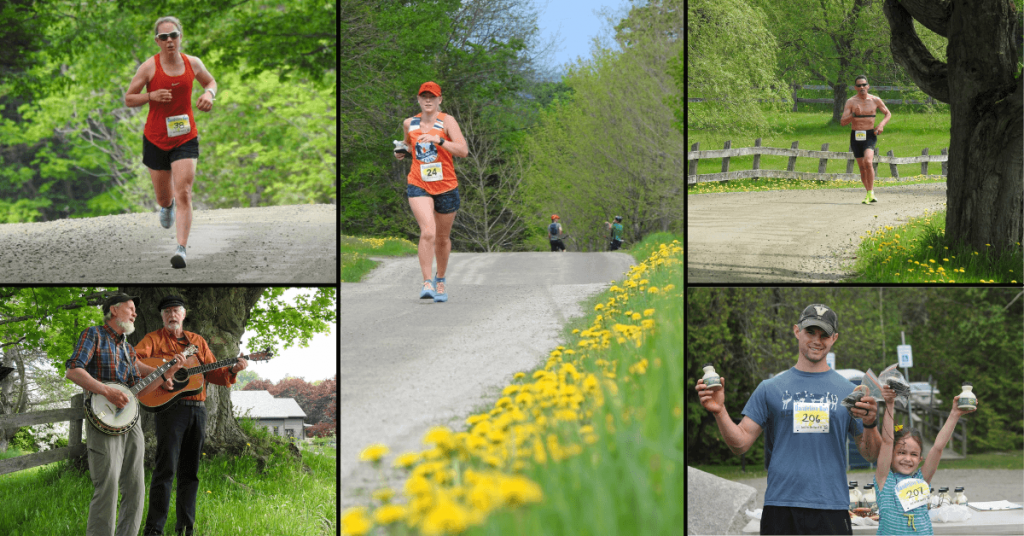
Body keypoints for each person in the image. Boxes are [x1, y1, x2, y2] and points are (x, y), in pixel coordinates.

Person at [695, 304, 882, 535]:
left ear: (834, 338)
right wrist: (720, 411)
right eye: (810, 332)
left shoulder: (851, 392)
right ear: (796, 331)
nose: (817, 340)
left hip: (831, 506)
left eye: (824, 335)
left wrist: (871, 423)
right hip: (781, 507)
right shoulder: (770, 388)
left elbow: (871, 454)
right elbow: (740, 443)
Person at [65, 293, 184, 536]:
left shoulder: (129, 349)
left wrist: (165, 374)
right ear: (114, 310)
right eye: (130, 308)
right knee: (107, 486)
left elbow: (137, 389)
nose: (135, 313)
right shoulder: (94, 334)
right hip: (103, 418)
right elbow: (73, 370)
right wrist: (106, 391)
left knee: (136, 487)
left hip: (132, 421)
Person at [139, 295, 248, 536]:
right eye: (167, 312)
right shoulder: (152, 339)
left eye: (176, 311)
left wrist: (232, 369)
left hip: (198, 411)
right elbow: (134, 361)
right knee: (164, 469)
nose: (171, 315)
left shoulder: (197, 341)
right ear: (162, 317)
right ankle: (154, 529)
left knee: (191, 471)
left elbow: (214, 373)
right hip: (168, 410)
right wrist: (164, 372)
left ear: (184, 315)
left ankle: (185, 527)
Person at [125, 16, 218, 269]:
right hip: (155, 139)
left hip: (185, 137)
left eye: (173, 35)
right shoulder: (149, 68)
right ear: (157, 40)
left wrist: (209, 94)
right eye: (164, 37)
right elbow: (129, 98)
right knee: (165, 198)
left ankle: (181, 249)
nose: (169, 41)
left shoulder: (193, 63)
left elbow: (210, 82)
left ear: (180, 37)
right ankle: (167, 207)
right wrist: (151, 95)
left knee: (184, 192)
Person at [394, 81, 468, 303]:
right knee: (428, 231)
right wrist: (402, 151)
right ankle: (427, 282)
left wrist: (440, 140)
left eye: (432, 97)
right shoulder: (409, 123)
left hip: (446, 185)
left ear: (439, 100)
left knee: (442, 238)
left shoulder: (447, 121)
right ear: (418, 99)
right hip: (419, 183)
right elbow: (409, 145)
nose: (428, 100)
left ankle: (441, 279)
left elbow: (463, 151)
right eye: (424, 96)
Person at [873, 384, 975, 535]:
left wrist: (954, 414)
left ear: (921, 459)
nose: (907, 459)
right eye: (901, 452)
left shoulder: (922, 479)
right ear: (891, 455)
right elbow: (888, 441)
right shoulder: (884, 479)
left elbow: (938, 447)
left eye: (914, 454)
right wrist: (890, 403)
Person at [839, 75, 891, 204]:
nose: (861, 87)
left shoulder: (875, 100)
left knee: (868, 161)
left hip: (869, 134)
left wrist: (881, 125)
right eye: (859, 85)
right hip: (856, 135)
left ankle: (871, 191)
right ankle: (868, 193)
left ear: (868, 86)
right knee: (862, 167)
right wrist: (853, 115)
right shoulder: (851, 102)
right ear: (855, 87)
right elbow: (843, 122)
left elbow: (888, 113)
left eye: (864, 85)